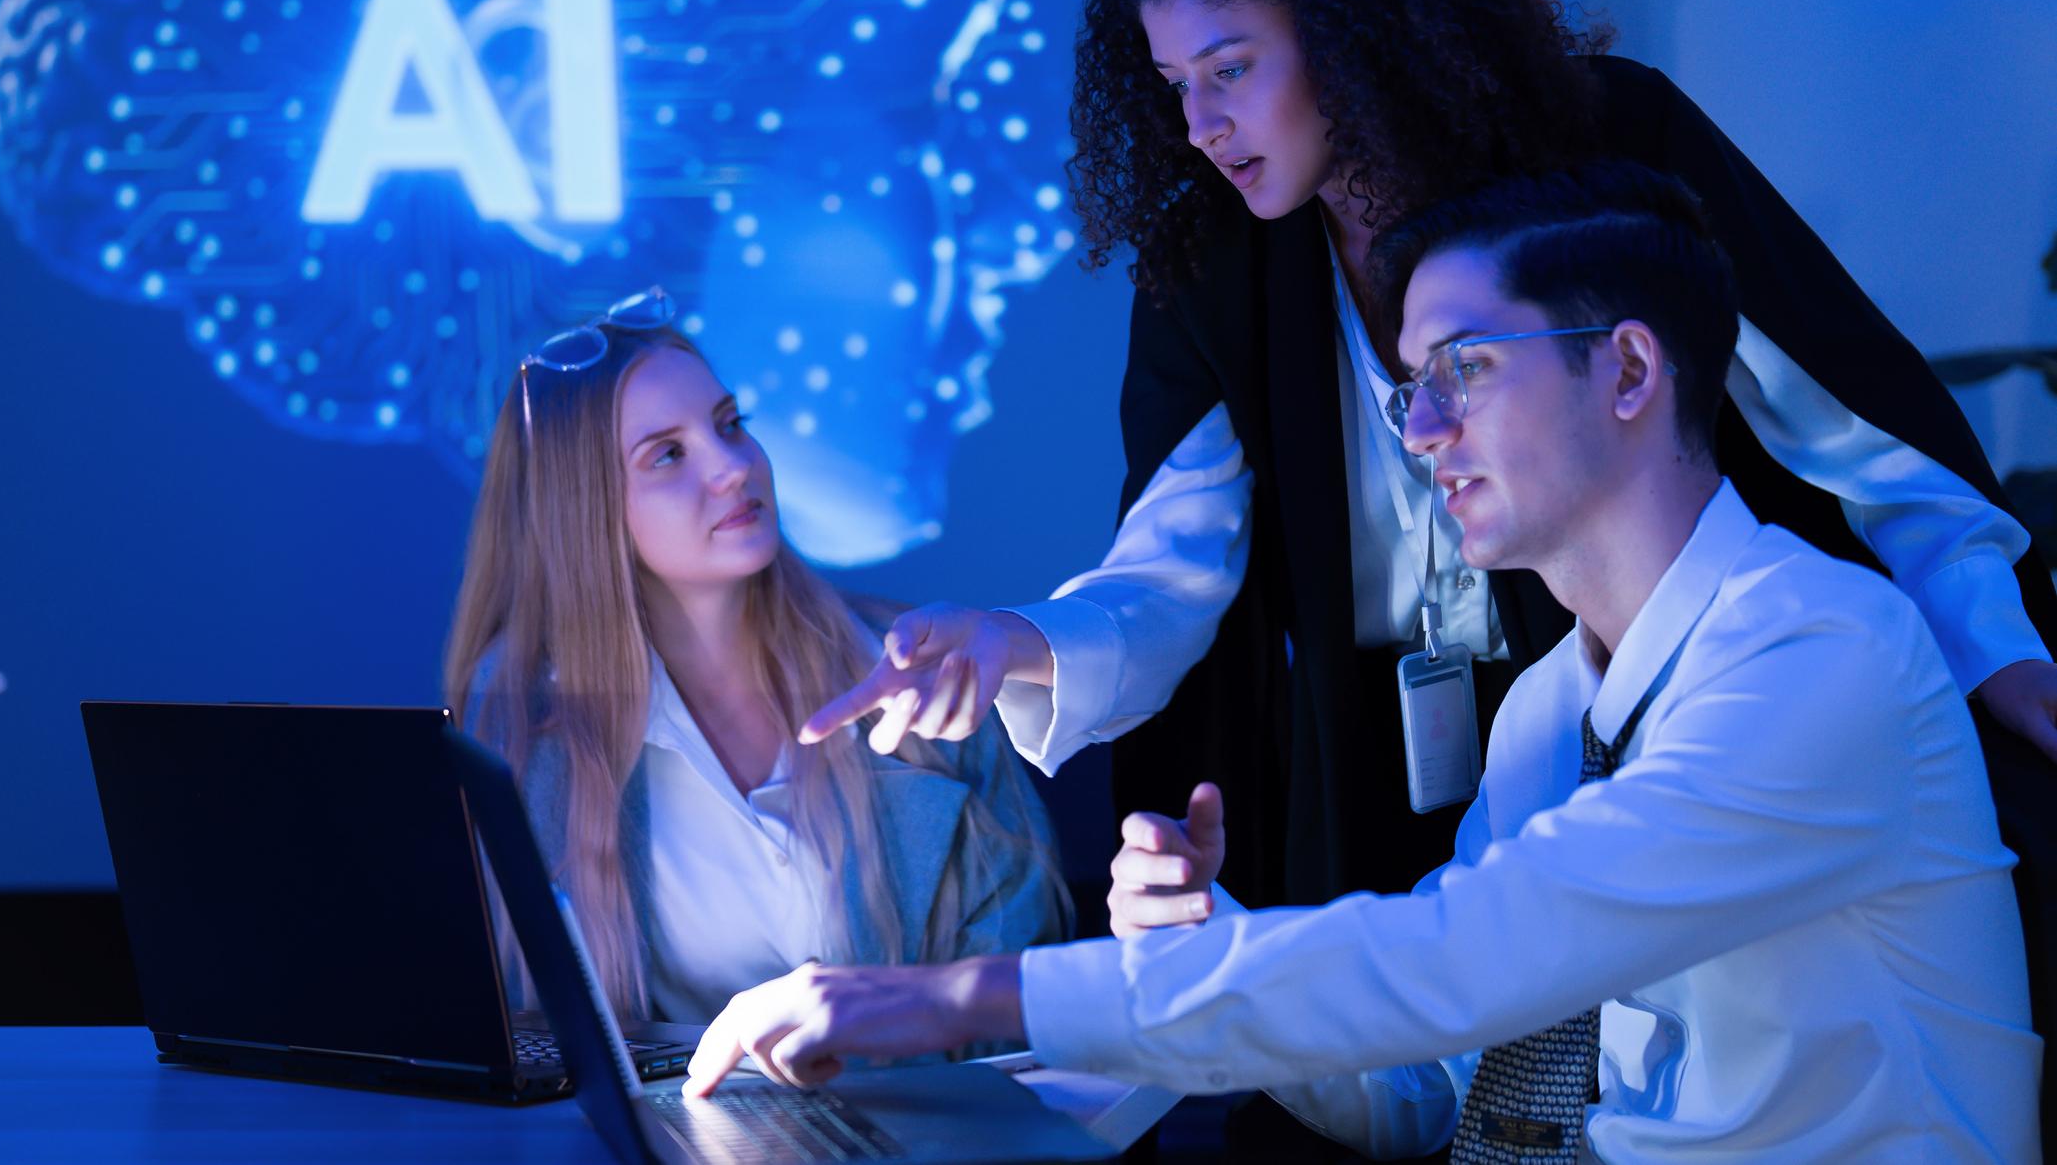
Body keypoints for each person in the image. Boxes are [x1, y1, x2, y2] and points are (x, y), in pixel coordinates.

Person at [801, 0, 2056, 930]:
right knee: (1410, 1056)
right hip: (1367, 769)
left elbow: (1855, 432)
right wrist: (1015, 638)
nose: (1199, 125)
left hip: (1650, 709)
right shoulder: (1213, 261)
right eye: (1174, 85)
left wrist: (1996, 640)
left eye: (1230, 69)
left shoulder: (1612, 143)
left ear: (1345, 26)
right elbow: (1169, 572)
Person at [685, 163, 2040, 1162]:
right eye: (1411, 384)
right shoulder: (1554, 710)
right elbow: (1426, 1091)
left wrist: (934, 999)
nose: (1422, 428)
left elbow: (1466, 956)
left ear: (1630, 371)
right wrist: (1203, 944)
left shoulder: (1818, 652)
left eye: (1466, 368)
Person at [442, 291, 1067, 1029]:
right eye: (668, 454)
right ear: (585, 512)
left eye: (730, 424)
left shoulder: (914, 667)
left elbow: (1027, 998)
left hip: (926, 1105)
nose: (733, 467)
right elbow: (522, 1031)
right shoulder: (525, 725)